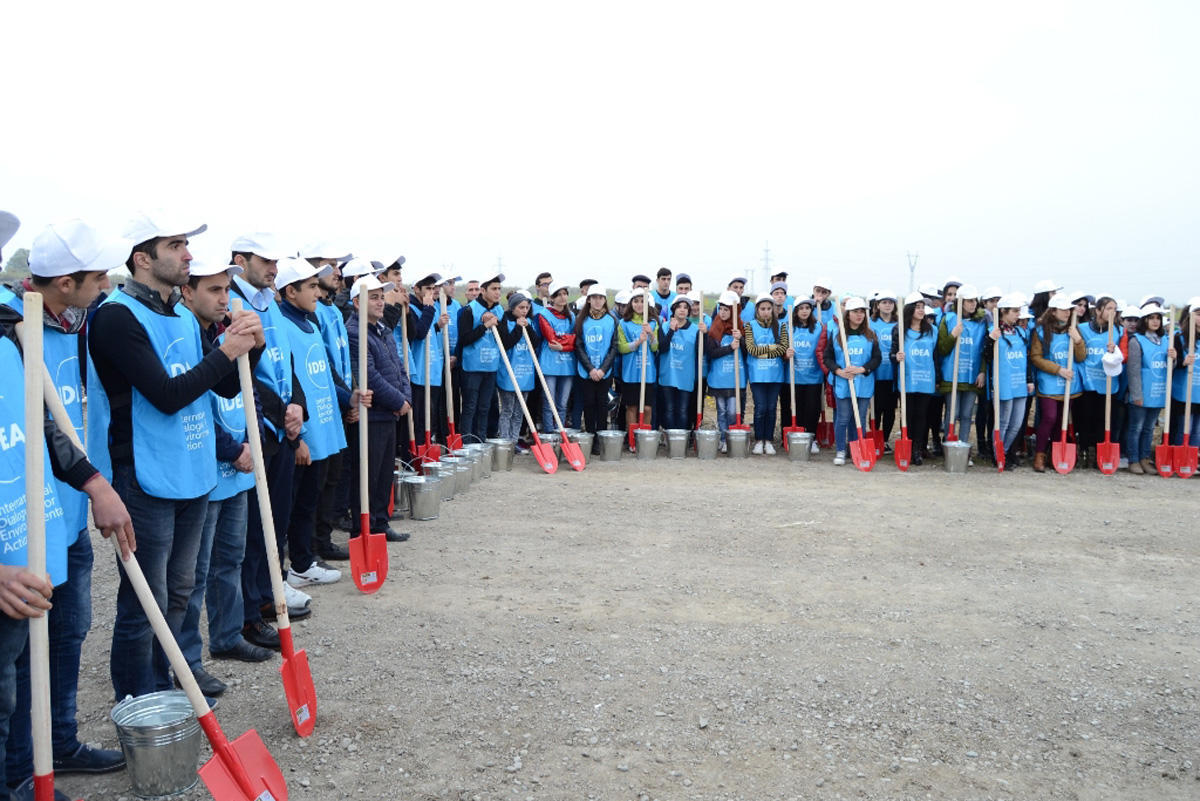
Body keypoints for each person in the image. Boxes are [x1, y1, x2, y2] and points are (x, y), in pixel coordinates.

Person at [87, 212, 263, 700]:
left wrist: (253, 348)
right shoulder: (116, 317)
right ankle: (139, 700)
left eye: (186, 244)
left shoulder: (184, 316)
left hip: (193, 469)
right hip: (143, 475)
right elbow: (165, 394)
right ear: (143, 259)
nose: (188, 254)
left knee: (182, 589)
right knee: (146, 599)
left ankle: (171, 681)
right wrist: (225, 351)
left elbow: (223, 386)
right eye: (176, 246)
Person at [1, 218, 131, 787]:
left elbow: (47, 425)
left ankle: (51, 751)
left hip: (58, 520)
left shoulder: (17, 330)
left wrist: (94, 483)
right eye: (97, 276)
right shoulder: (18, 325)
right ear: (64, 281)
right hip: (13, 543)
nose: (105, 287)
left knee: (59, 640)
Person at [175, 258, 273, 698]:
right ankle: (185, 662)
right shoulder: (180, 333)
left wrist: (256, 347)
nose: (224, 299)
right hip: (210, 465)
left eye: (226, 289)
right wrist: (232, 450)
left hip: (236, 465)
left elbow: (236, 388)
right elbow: (193, 403)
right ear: (186, 292)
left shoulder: (220, 331)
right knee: (192, 574)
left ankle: (228, 634)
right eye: (213, 290)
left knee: (230, 557)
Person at [228, 234, 310, 650]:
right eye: (266, 260)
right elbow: (248, 375)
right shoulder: (230, 303)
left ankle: (265, 596)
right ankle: (245, 613)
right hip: (254, 428)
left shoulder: (268, 301)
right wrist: (282, 411)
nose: (274, 268)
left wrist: (297, 405)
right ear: (240, 260)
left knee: (272, 519)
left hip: (280, 428)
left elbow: (286, 363)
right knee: (250, 528)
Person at [276, 257, 357, 589]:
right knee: (293, 503)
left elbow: (324, 372)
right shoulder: (282, 325)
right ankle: (291, 564)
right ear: (290, 291)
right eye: (309, 287)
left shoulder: (310, 323)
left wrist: (347, 398)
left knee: (312, 498)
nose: (316, 292)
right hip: (305, 432)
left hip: (326, 425)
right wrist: (297, 439)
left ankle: (304, 561)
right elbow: (289, 382)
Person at [347, 274, 412, 537]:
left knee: (385, 473)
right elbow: (369, 375)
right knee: (368, 476)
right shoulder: (355, 333)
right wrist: (398, 401)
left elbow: (398, 368)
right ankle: (363, 528)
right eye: (373, 297)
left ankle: (380, 523)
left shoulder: (383, 330)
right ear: (356, 302)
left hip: (390, 413)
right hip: (371, 415)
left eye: (382, 297)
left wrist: (405, 398)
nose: (381, 302)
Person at [302, 243, 354, 562]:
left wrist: (350, 396)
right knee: (316, 483)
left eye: (337, 265)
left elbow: (338, 362)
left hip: (336, 403)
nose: (337, 271)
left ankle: (322, 541)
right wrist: (348, 398)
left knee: (333, 475)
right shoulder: (313, 313)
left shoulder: (332, 310)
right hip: (321, 405)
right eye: (329, 265)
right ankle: (308, 547)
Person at [1029, 295, 1086, 473]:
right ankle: (1039, 454)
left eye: (1069, 310)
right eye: (1063, 310)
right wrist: (1058, 369)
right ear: (1053, 311)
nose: (1067, 313)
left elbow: (1081, 357)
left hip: (1069, 383)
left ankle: (1056, 452)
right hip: (1050, 381)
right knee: (1049, 417)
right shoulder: (1040, 331)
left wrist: (1078, 340)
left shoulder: (1073, 329)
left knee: (1061, 420)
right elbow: (1036, 358)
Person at [825, 298, 880, 465]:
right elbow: (827, 358)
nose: (859, 315)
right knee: (843, 418)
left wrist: (863, 369)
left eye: (862, 311)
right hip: (843, 383)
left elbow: (877, 359)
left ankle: (857, 449)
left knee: (860, 419)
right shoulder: (837, 334)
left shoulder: (870, 335)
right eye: (856, 311)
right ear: (848, 314)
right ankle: (841, 450)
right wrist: (839, 371)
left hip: (863, 383)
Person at [936, 284, 987, 450]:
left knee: (966, 415)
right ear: (961, 302)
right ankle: (949, 446)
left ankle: (964, 449)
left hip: (972, 376)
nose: (972, 304)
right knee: (953, 412)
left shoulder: (981, 322)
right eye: (969, 301)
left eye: (974, 301)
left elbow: (984, 350)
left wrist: (982, 371)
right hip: (953, 375)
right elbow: (942, 348)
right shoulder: (948, 319)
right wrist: (953, 335)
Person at [986, 296, 1035, 469]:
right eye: (1014, 311)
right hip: (1003, 383)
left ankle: (1005, 451)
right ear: (1003, 312)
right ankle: (997, 454)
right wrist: (991, 340)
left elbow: (1026, 359)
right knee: (1003, 422)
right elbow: (985, 356)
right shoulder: (993, 330)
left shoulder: (1021, 332)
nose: (1017, 315)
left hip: (1019, 382)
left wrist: (1029, 379)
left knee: (1017, 423)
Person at [890, 292, 938, 465]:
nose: (921, 310)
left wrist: (937, 378)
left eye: (922, 307)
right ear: (910, 309)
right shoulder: (899, 329)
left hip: (926, 379)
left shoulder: (932, 330)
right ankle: (906, 448)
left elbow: (935, 356)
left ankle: (917, 449)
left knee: (921, 416)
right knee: (908, 415)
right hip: (907, 380)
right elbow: (892, 354)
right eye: (917, 307)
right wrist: (897, 356)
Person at [1124, 305, 1172, 474]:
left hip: (1158, 393)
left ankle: (1145, 458)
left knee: (1149, 428)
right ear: (1144, 320)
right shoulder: (1136, 341)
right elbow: (1133, 370)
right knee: (1136, 428)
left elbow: (1169, 366)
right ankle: (1133, 460)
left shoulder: (1166, 340)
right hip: (1142, 393)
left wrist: (1174, 357)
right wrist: (1137, 394)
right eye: (1151, 318)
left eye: (1157, 318)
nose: (1155, 321)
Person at [456, 274, 504, 444]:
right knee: (470, 407)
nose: (498, 292)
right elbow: (464, 339)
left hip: (491, 366)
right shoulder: (470, 310)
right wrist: (484, 327)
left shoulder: (499, 310)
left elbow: (504, 338)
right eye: (494, 289)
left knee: (485, 408)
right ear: (483, 291)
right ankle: (467, 444)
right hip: (472, 367)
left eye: (499, 289)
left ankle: (481, 441)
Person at [404, 272, 448, 448]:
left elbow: (429, 333)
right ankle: (417, 451)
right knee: (419, 419)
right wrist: (429, 310)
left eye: (433, 288)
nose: (432, 292)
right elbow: (419, 333)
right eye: (427, 289)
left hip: (433, 370)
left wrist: (437, 326)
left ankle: (428, 446)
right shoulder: (412, 309)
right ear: (416, 289)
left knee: (431, 416)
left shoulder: (430, 308)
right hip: (419, 373)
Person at [573, 286, 617, 451]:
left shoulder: (611, 320)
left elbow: (614, 347)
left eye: (601, 298)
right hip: (586, 372)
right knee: (589, 405)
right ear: (589, 299)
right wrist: (591, 369)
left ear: (605, 300)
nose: (598, 301)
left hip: (604, 372)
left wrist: (603, 370)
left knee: (602, 405)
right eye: (594, 297)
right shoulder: (581, 320)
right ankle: (591, 439)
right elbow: (579, 346)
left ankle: (601, 440)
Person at [743, 294, 787, 454]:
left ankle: (768, 440)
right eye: (763, 309)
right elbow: (752, 349)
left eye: (769, 308)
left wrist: (767, 350)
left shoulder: (781, 326)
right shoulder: (750, 326)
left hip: (775, 375)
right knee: (760, 407)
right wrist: (772, 348)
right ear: (757, 310)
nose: (766, 312)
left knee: (771, 407)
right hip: (757, 375)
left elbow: (783, 348)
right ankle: (758, 440)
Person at [496, 293, 540, 449]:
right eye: (521, 307)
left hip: (525, 372)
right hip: (509, 372)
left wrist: (527, 327)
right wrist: (517, 327)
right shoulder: (504, 321)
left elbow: (535, 343)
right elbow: (506, 343)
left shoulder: (529, 323)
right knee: (508, 409)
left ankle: (514, 442)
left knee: (519, 411)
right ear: (513, 307)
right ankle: (505, 441)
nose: (524, 311)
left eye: (527, 307)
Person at [617, 289, 659, 451]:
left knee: (647, 407)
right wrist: (637, 342)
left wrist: (651, 335)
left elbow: (655, 348)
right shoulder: (623, 324)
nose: (639, 305)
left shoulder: (653, 323)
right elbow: (621, 348)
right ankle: (632, 440)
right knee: (632, 407)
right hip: (630, 373)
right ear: (630, 303)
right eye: (636, 301)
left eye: (642, 301)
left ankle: (645, 438)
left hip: (647, 372)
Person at [705, 292, 744, 453]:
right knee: (721, 410)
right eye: (720, 309)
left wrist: (741, 339)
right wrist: (729, 348)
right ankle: (722, 438)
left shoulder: (741, 328)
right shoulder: (714, 328)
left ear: (733, 311)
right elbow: (711, 352)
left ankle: (731, 438)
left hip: (735, 378)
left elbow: (750, 351)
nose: (722, 312)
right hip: (719, 377)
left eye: (726, 310)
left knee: (733, 411)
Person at [659, 296, 706, 432]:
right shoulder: (664, 326)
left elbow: (701, 352)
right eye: (679, 307)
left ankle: (682, 439)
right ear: (673, 309)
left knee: (683, 410)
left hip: (685, 376)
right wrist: (671, 331)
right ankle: (670, 438)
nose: (682, 310)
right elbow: (662, 348)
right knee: (669, 409)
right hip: (668, 375)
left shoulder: (695, 330)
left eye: (686, 308)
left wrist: (705, 335)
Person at [535, 282, 576, 433]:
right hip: (549, 364)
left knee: (562, 404)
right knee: (549, 403)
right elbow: (552, 339)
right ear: (552, 298)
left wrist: (565, 344)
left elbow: (577, 339)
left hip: (567, 365)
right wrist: (569, 339)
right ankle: (549, 434)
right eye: (559, 294)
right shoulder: (543, 315)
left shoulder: (571, 316)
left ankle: (560, 433)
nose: (563, 297)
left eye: (565, 293)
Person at [787, 298, 824, 453]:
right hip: (795, 376)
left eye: (807, 308)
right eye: (801, 308)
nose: (804, 311)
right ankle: (798, 436)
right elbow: (782, 347)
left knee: (812, 408)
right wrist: (785, 353)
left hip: (814, 376)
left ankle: (811, 437)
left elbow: (822, 348)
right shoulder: (789, 327)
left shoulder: (818, 327)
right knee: (797, 407)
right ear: (796, 311)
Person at [869, 291, 899, 449]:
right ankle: (874, 437)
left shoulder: (899, 324)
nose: (887, 305)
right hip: (876, 373)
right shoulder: (870, 323)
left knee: (890, 409)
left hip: (893, 373)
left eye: (890, 302)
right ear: (877, 305)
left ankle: (885, 439)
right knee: (876, 407)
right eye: (884, 302)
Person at [1170, 300, 1200, 449]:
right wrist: (1182, 361)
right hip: (1184, 392)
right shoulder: (1179, 338)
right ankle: (1179, 456)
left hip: (1199, 391)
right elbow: (1172, 364)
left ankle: (1193, 459)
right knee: (1184, 428)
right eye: (1199, 314)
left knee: (1197, 431)